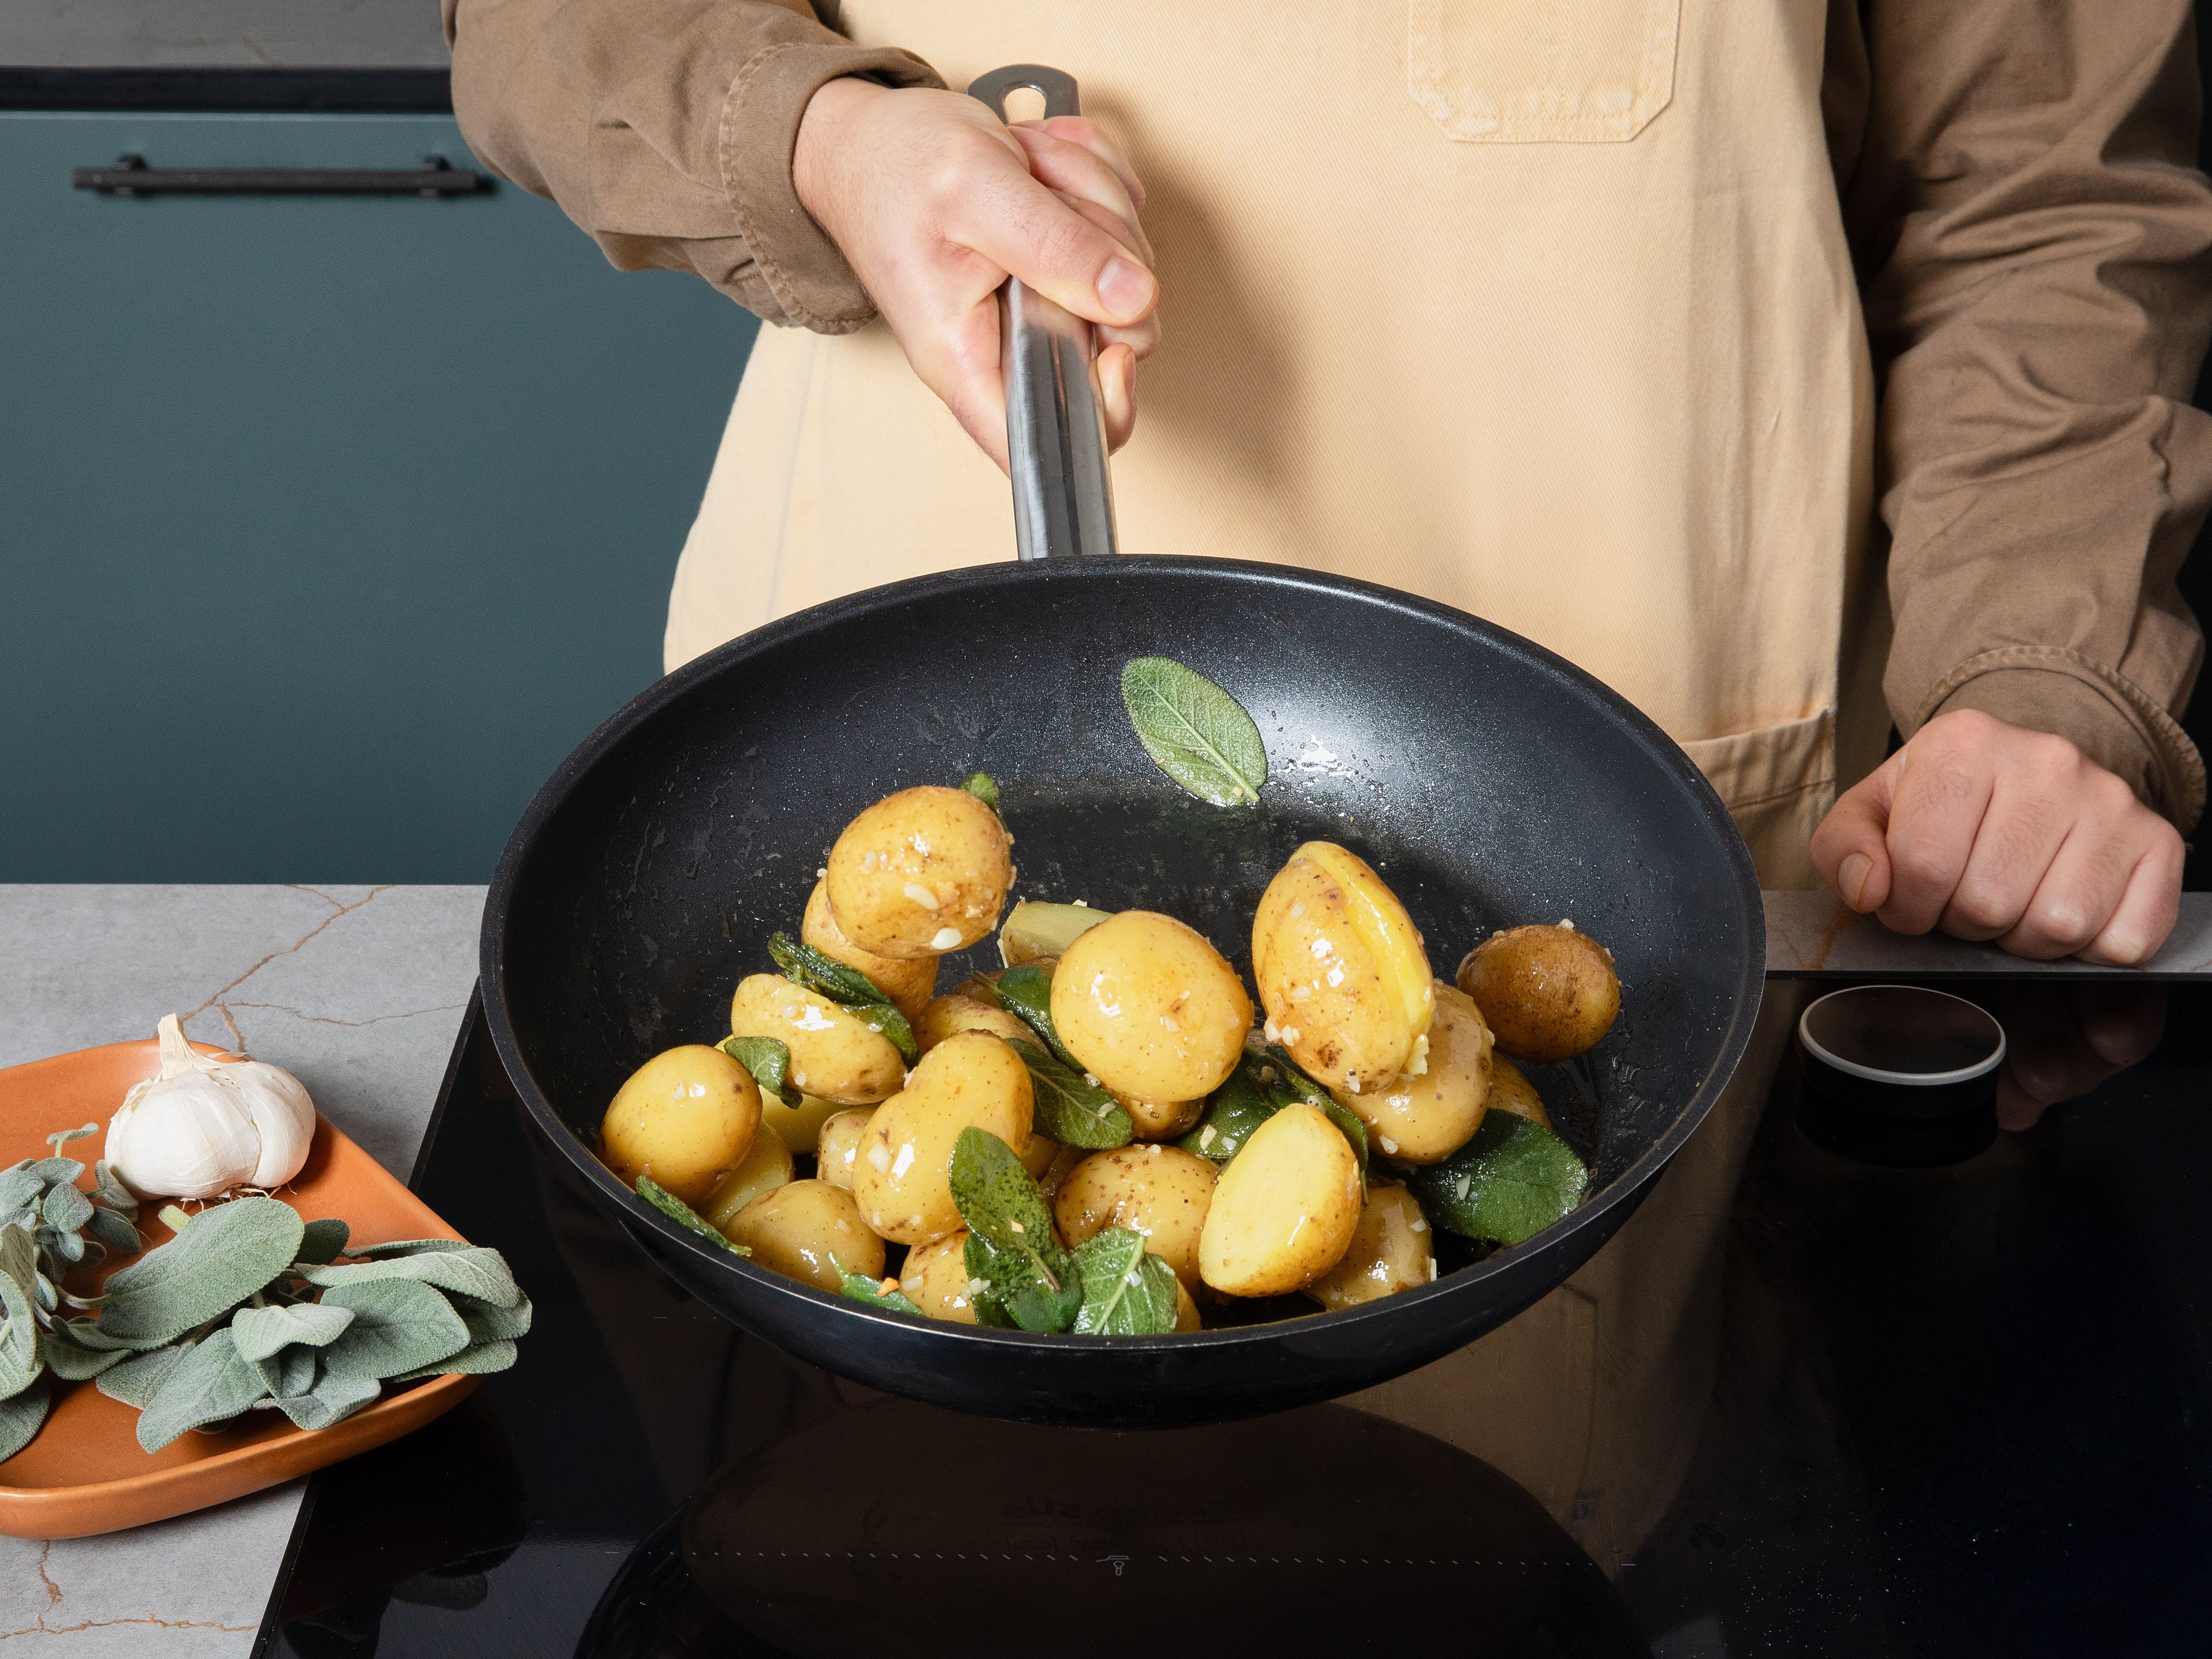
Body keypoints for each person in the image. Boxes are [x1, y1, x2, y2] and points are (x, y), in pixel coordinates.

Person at [440, 0, 2202, 1566]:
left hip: (1639, 767)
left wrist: (2040, 664)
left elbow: (2050, 183)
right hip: (899, 621)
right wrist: (815, 128)